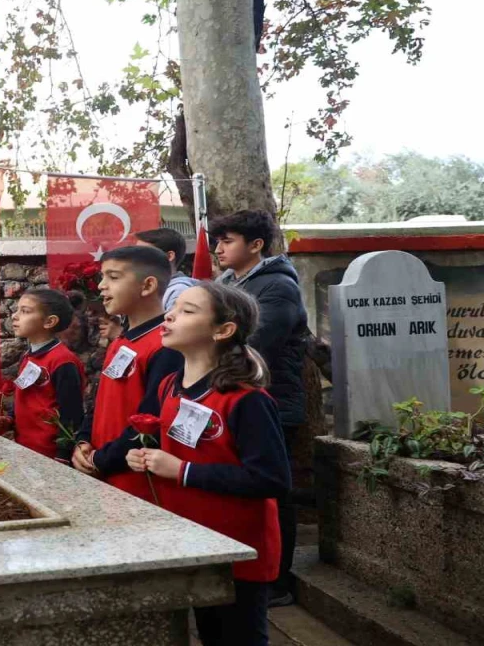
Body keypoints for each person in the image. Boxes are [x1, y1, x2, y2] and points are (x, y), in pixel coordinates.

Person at [126, 282, 291, 646]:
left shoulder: (245, 399)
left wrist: (182, 471)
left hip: (239, 547)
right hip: (192, 540)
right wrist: (143, 455)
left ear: (223, 330)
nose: (169, 315)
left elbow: (272, 479)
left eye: (188, 311)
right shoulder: (170, 385)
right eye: (173, 308)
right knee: (209, 633)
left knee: (239, 637)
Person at [210, 209, 308, 607]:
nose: (219, 249)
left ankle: (277, 581)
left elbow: (257, 344)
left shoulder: (277, 287)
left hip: (271, 403)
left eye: (227, 241)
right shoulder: (228, 283)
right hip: (233, 399)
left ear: (256, 245)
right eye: (218, 241)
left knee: (273, 494)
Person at [71, 246, 183, 499]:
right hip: (104, 471)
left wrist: (103, 458)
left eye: (113, 277)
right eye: (102, 277)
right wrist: (84, 440)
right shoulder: (121, 341)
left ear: (147, 286)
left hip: (138, 483)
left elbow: (152, 421)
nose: (101, 285)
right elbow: (101, 401)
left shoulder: (166, 346)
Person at [0, 288, 86, 462]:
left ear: (49, 321)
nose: (14, 316)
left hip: (49, 454)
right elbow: (25, 397)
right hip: (26, 447)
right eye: (17, 309)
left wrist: (63, 455)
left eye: (25, 311)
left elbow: (72, 414)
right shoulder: (28, 355)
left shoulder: (63, 361)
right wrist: (8, 419)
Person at [136, 227, 198, 310]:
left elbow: (174, 323)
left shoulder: (179, 291)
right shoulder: (143, 288)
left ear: (169, 256)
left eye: (144, 253)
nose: (136, 258)